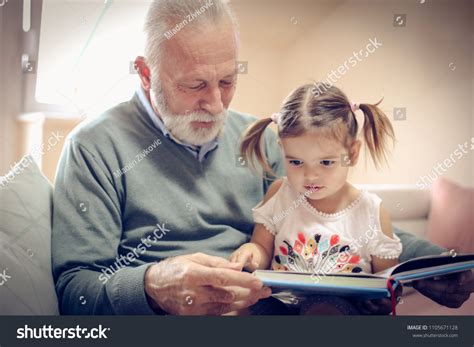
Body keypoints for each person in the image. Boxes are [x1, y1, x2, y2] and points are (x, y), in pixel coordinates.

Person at [51, 0, 473, 315]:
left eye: (228, 80)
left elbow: (341, 211)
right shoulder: (94, 147)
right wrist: (150, 285)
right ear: (146, 73)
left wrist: (430, 262)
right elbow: (75, 290)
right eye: (195, 84)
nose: (216, 104)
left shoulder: (258, 138)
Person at [231, 83, 403, 315]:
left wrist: (385, 300)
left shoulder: (371, 210)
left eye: (326, 162)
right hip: (280, 304)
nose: (310, 175)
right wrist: (252, 251)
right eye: (296, 162)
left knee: (324, 309)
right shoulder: (280, 194)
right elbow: (263, 247)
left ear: (352, 153)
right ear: (282, 151)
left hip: (341, 311)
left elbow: (388, 281)